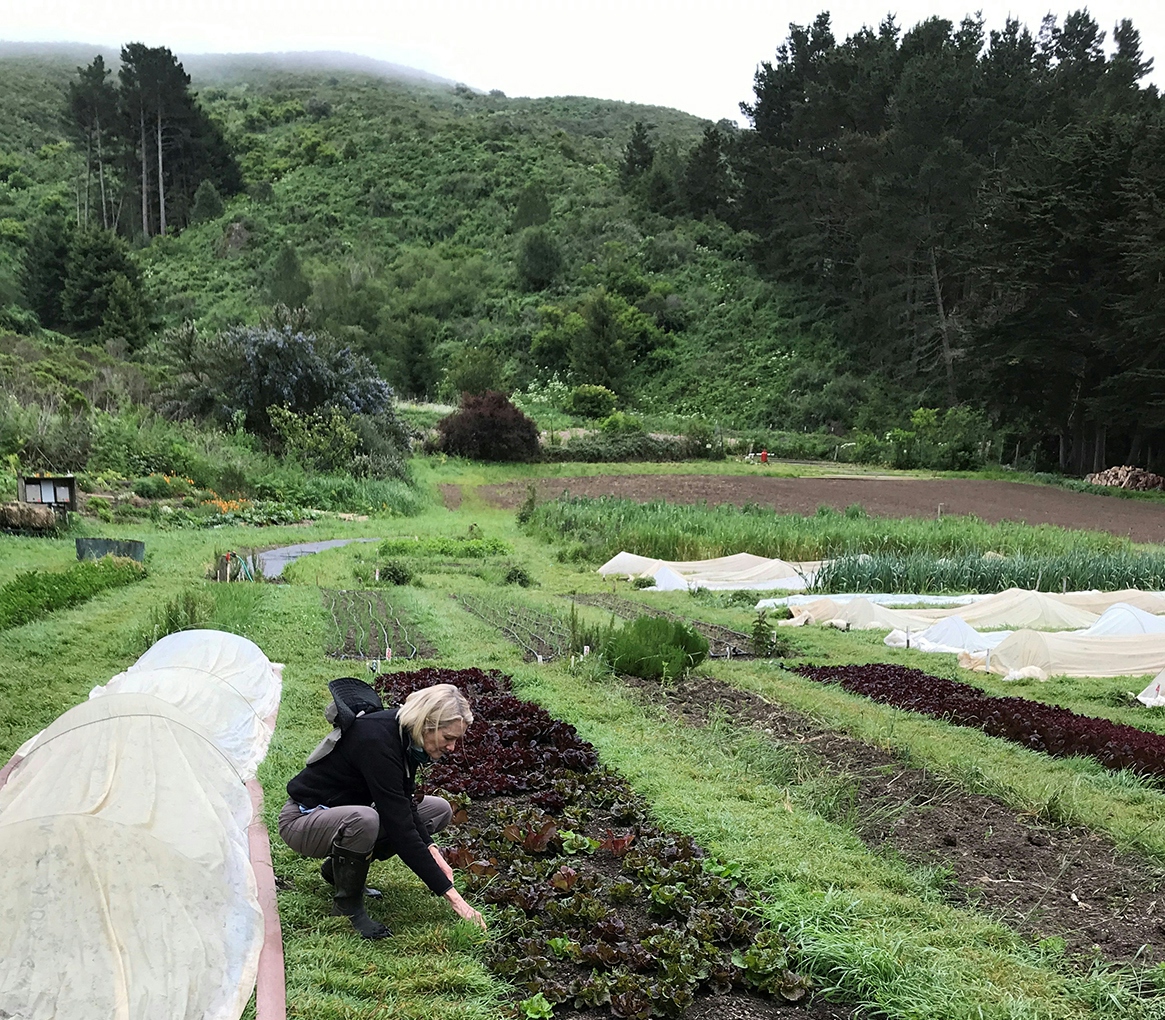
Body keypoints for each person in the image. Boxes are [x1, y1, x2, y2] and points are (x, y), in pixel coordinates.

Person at [278, 680, 486, 939]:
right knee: (365, 819)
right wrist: (455, 898)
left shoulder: (405, 737)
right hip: (303, 819)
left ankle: (338, 871)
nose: (452, 747)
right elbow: (400, 826)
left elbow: (406, 803)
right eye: (448, 738)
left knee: (437, 809)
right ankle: (348, 907)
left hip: (341, 816)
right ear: (427, 723)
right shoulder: (377, 740)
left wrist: (434, 852)